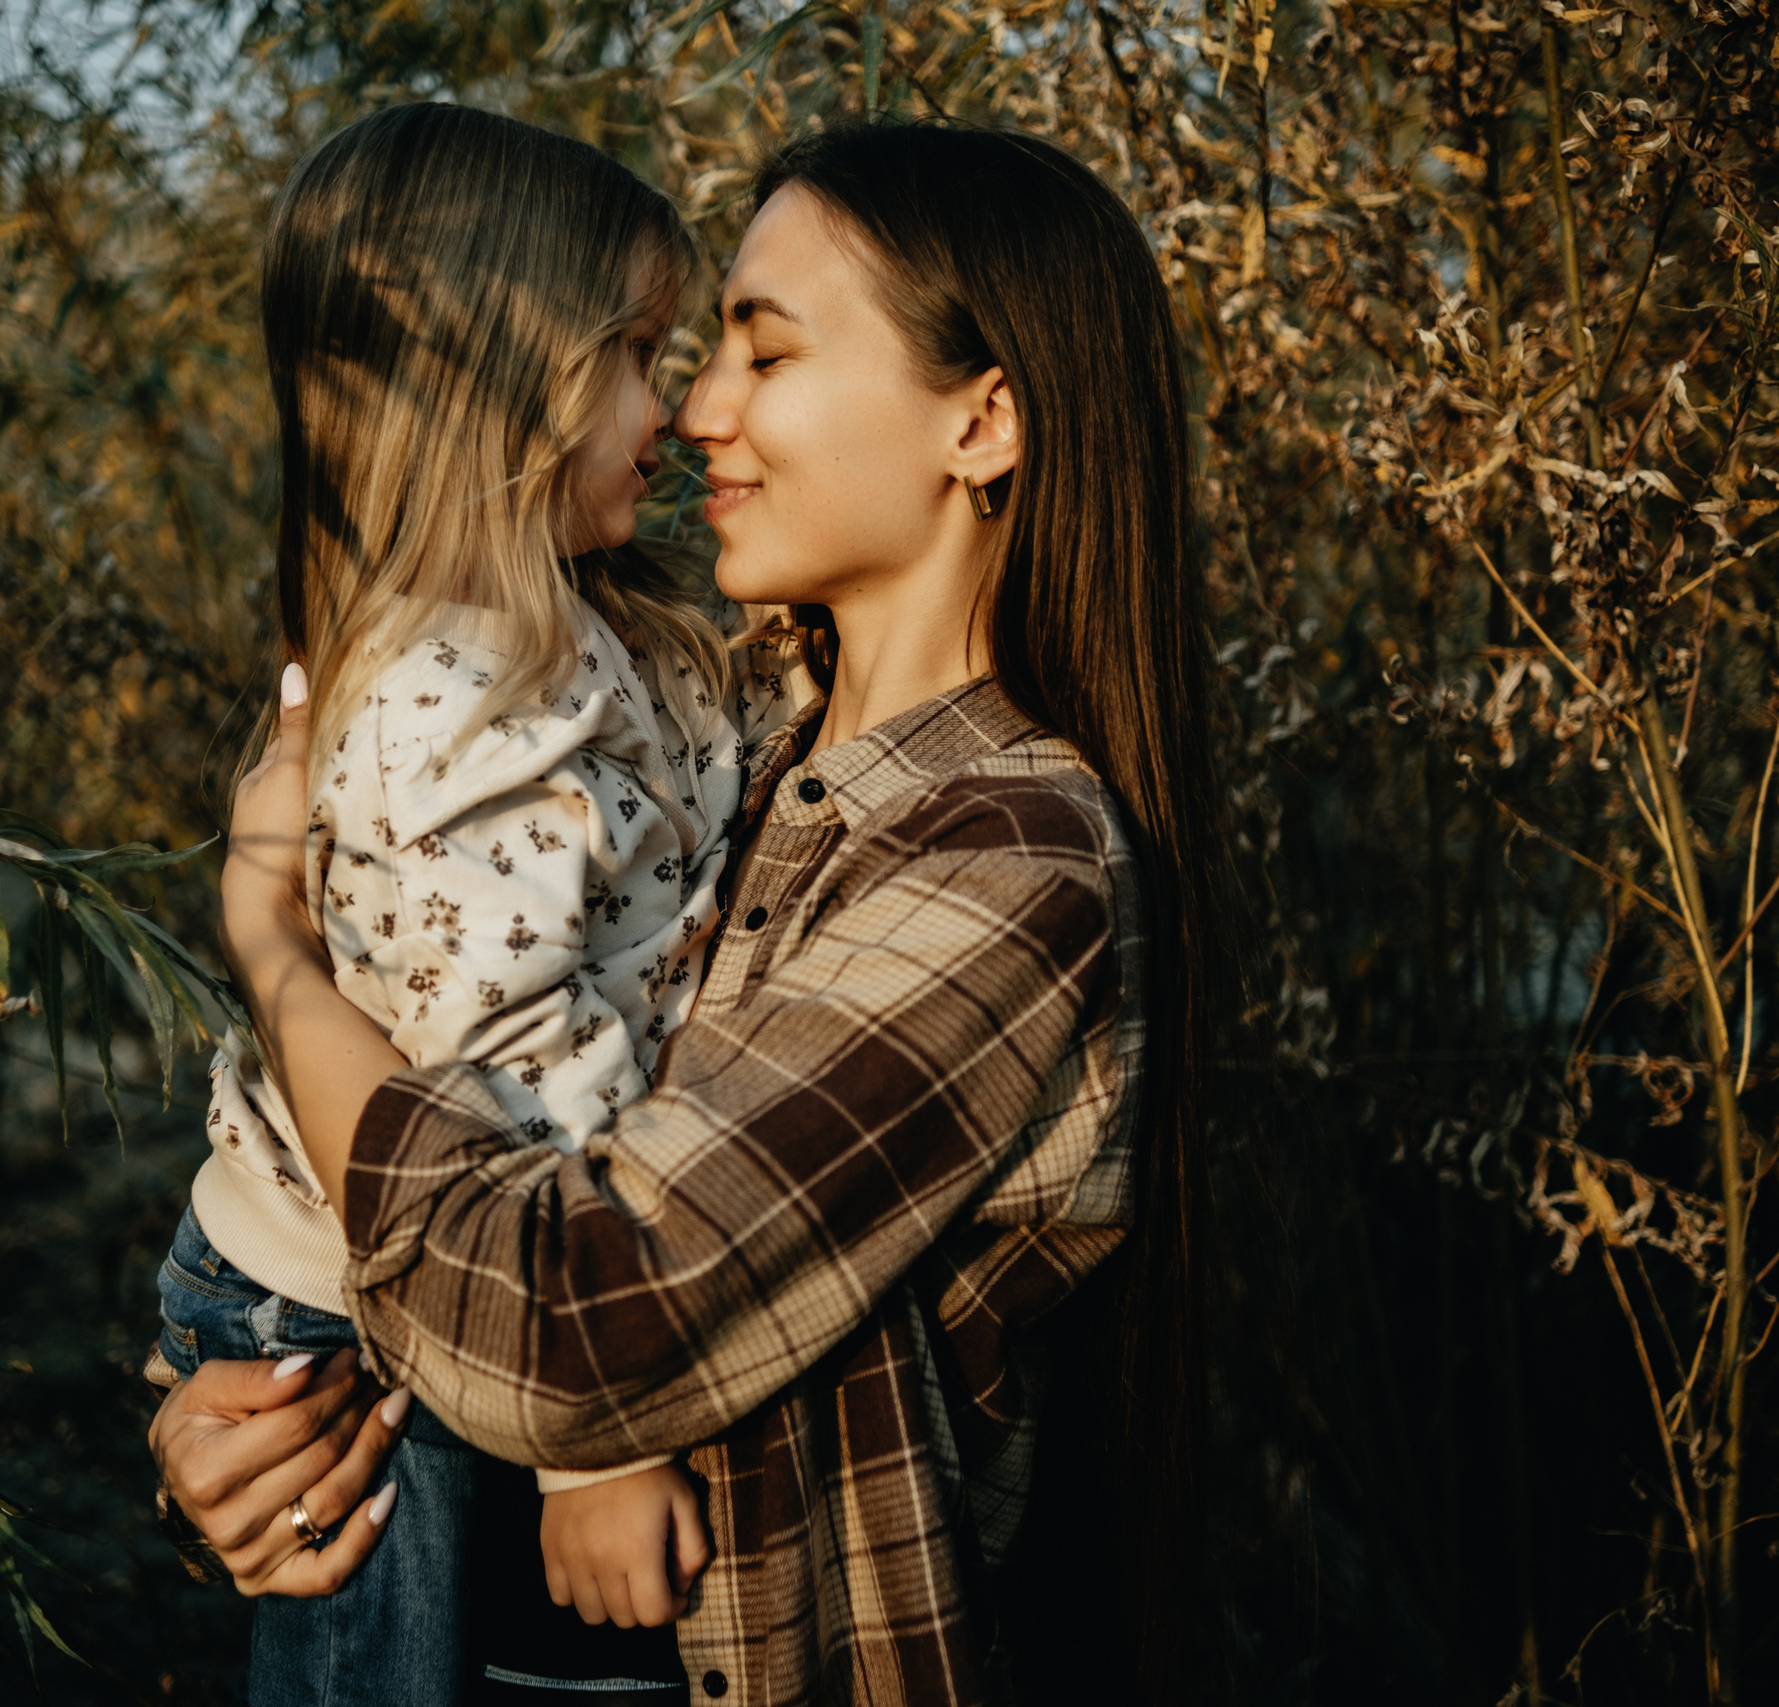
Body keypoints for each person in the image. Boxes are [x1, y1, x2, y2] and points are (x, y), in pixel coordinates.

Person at [160, 118, 1219, 1705]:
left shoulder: (1009, 865)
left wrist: (270, 952)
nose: (700, 410)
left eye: (762, 351)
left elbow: (577, 1331)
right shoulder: (725, 731)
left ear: (983, 422)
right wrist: (219, 1442)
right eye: (689, 348)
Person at [145, 101, 816, 1707]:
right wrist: (596, 1439)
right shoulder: (452, 688)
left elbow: (685, 823)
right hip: (358, 1290)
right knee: (378, 1667)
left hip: (423, 1256)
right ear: (508, 379)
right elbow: (505, 1057)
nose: (681, 409)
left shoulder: (573, 630)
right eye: (643, 356)